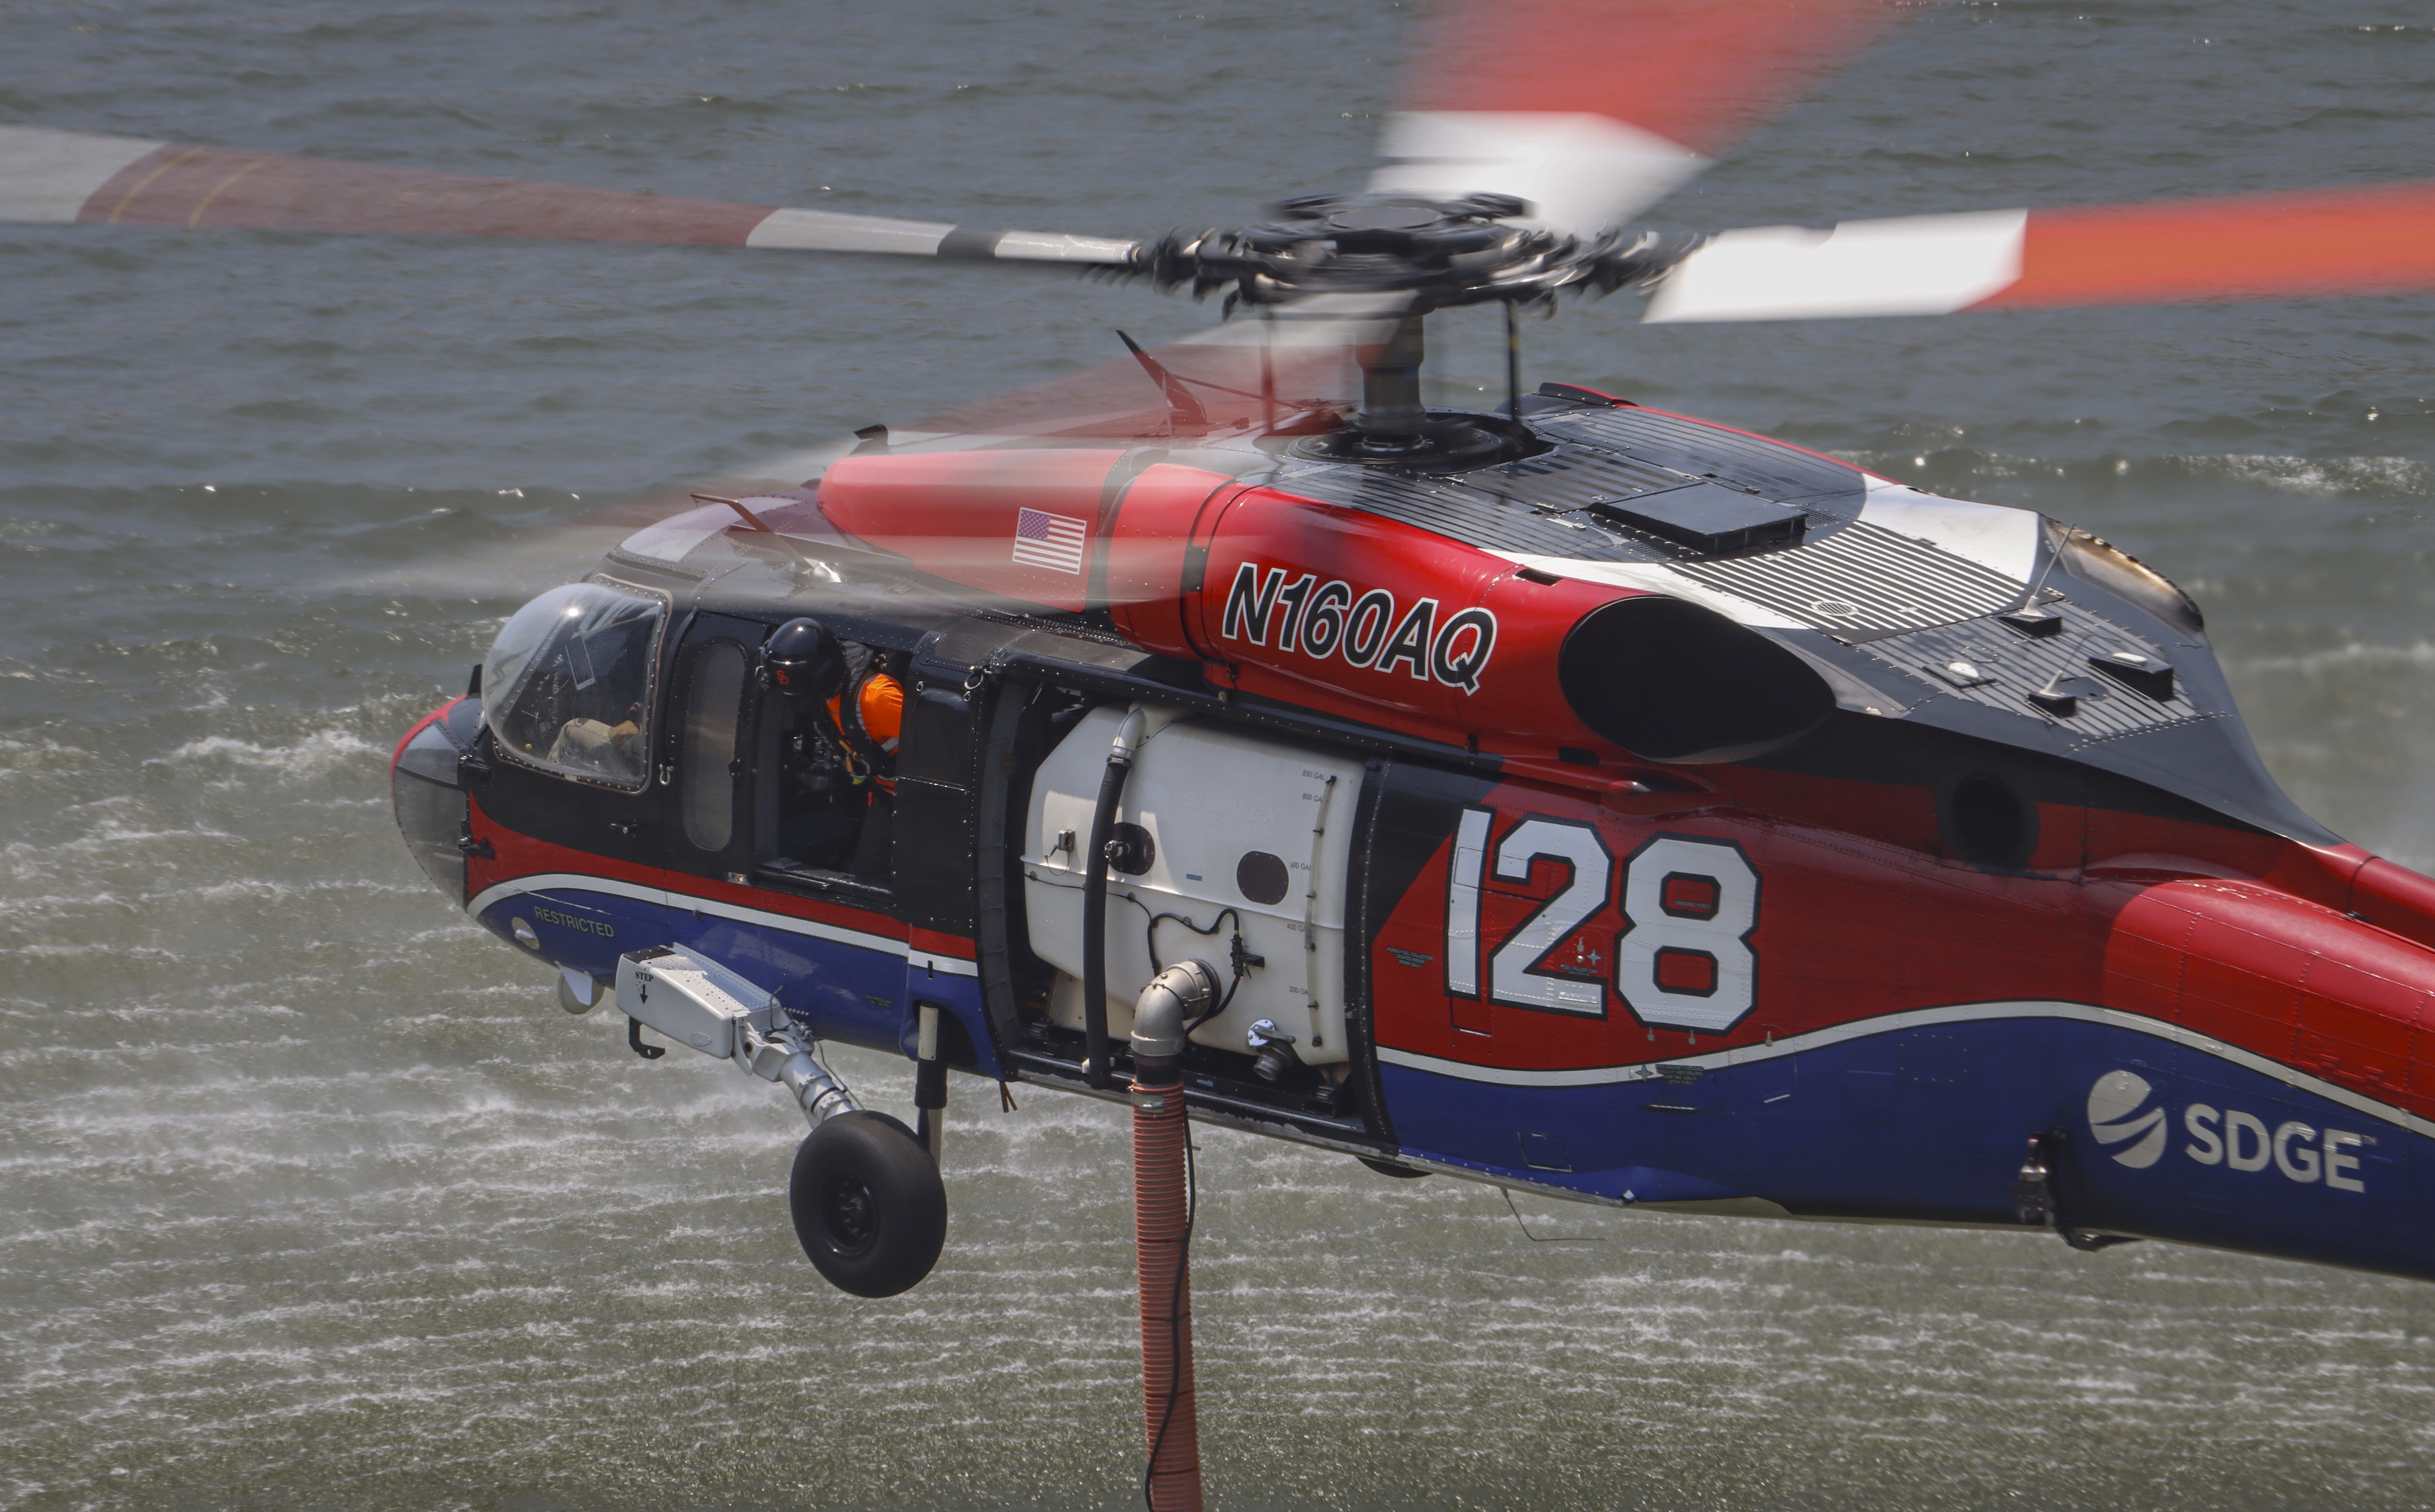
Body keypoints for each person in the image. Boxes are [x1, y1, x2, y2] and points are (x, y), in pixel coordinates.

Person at [763, 617, 901, 879]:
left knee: (879, 870)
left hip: (913, 798)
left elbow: (941, 748)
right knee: (869, 869)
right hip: (883, 791)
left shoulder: (878, 698)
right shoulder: (823, 692)